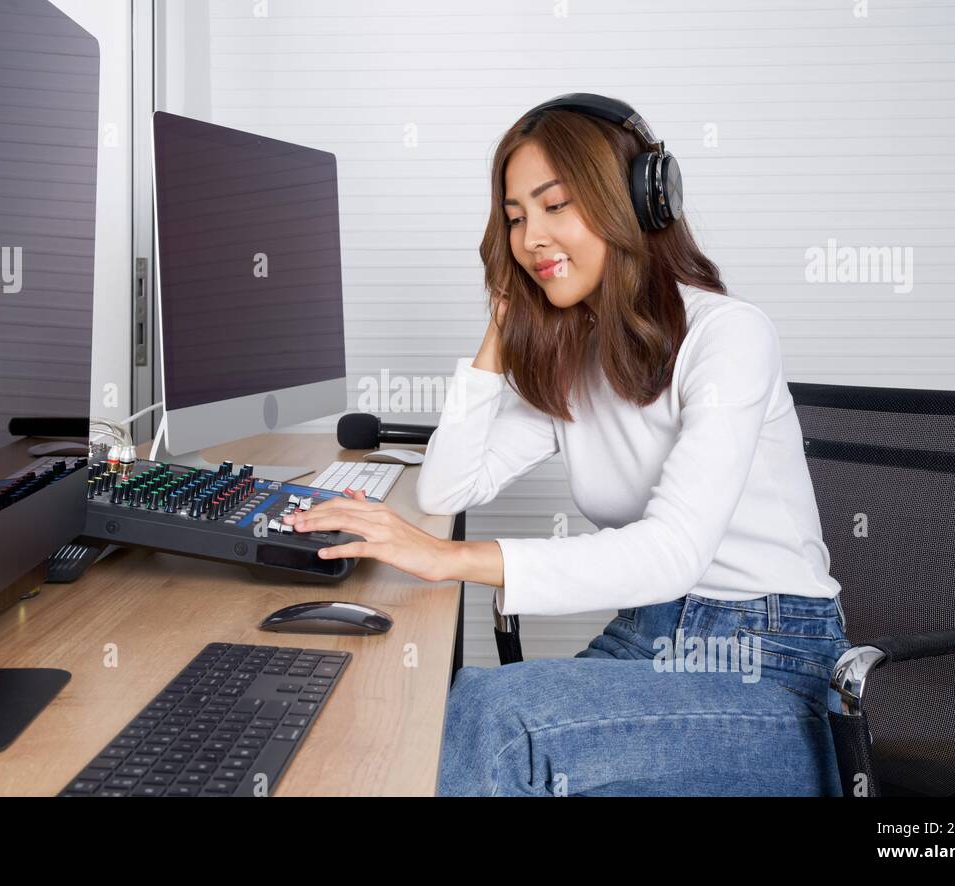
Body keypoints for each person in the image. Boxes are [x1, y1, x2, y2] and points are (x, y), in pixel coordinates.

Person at [282, 94, 850, 796]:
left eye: (555, 206)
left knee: (495, 722)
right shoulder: (576, 359)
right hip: (645, 638)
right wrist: (498, 334)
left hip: (773, 668)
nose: (531, 238)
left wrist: (448, 559)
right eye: (516, 217)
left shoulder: (729, 335)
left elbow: (673, 552)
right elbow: (448, 486)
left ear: (636, 205)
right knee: (444, 711)